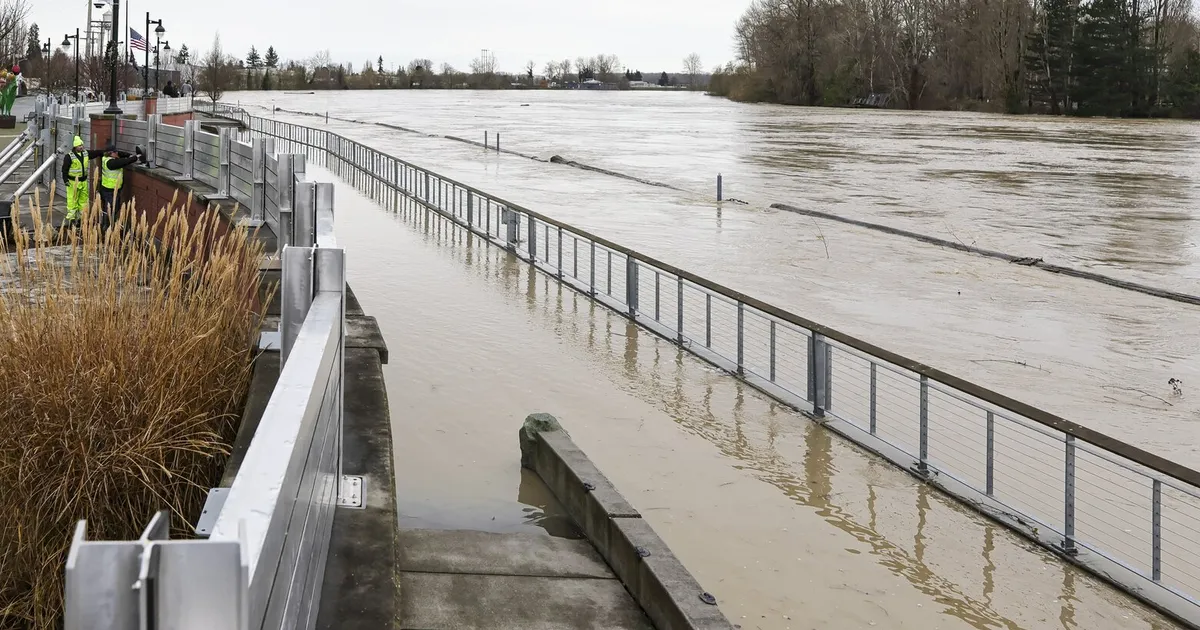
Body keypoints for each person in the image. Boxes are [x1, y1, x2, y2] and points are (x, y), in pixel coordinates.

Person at [97, 144, 142, 230]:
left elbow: (120, 153)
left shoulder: (105, 157)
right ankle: (108, 227)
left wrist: (128, 155)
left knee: (111, 207)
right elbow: (123, 162)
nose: (117, 153)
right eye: (115, 152)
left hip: (109, 188)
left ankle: (107, 225)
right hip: (110, 190)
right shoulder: (111, 163)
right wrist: (135, 157)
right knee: (111, 208)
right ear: (111, 153)